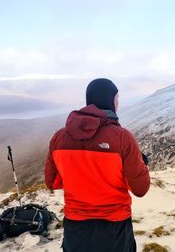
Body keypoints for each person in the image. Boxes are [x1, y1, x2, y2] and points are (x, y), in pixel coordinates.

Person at [44, 78, 150, 252]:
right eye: (117, 99)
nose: (118, 103)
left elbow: (52, 182)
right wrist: (140, 165)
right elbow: (140, 189)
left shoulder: (59, 138)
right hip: (115, 228)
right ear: (110, 101)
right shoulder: (122, 138)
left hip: (76, 228)